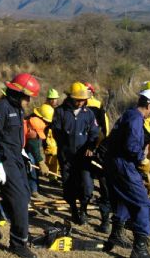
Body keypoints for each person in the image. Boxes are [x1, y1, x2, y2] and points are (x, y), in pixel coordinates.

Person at [0, 73, 40, 258]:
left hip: (16, 158)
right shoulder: (2, 108)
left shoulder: (18, 108)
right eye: (27, 97)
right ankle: (18, 243)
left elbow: (13, 136)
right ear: (17, 93)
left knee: (25, 194)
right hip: (4, 160)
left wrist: (23, 154)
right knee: (20, 200)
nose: (29, 100)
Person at [102, 89, 150, 258]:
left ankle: (115, 235)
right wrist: (142, 161)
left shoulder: (128, 114)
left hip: (113, 164)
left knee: (124, 199)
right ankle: (140, 249)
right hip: (123, 165)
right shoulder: (136, 118)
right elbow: (132, 146)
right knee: (143, 204)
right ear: (149, 105)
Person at [51, 81, 99, 226]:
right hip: (67, 157)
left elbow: (94, 133)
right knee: (69, 186)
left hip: (83, 158)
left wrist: (91, 145)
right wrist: (64, 148)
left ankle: (83, 209)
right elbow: (56, 132)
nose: (80, 102)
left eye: (83, 100)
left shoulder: (89, 113)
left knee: (87, 186)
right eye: (78, 99)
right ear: (71, 98)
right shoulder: (60, 112)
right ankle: (73, 210)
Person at [85, 82, 113, 233]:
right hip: (89, 151)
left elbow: (104, 131)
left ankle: (106, 221)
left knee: (105, 189)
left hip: (101, 155)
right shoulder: (79, 106)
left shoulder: (98, 108)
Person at [40, 89, 61, 182]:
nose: (54, 101)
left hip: (53, 134)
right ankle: (50, 175)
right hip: (46, 134)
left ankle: (52, 176)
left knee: (54, 155)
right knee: (51, 154)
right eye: (51, 99)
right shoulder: (45, 108)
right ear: (48, 99)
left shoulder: (56, 109)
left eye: (55, 99)